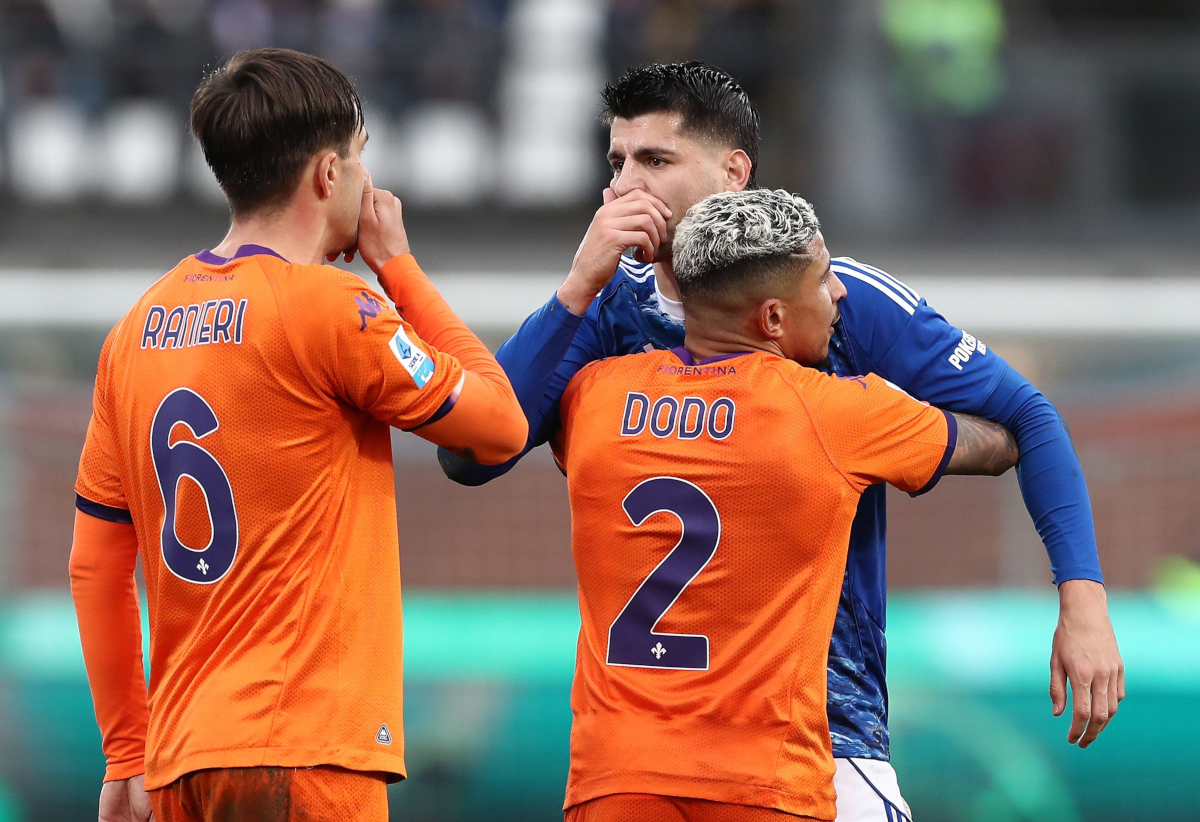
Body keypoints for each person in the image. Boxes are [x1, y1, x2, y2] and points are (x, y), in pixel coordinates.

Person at [439, 62, 1124, 819]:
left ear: (733, 174)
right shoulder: (602, 309)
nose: (624, 188)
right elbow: (469, 457)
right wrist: (577, 286)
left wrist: (1082, 601)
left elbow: (1030, 416)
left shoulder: (834, 298)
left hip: (813, 728)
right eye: (617, 162)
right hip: (682, 740)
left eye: (655, 160)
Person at [69, 48, 527, 822]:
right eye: (361, 158)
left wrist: (124, 751)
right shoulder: (332, 309)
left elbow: (96, 565)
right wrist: (400, 268)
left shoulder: (134, 331)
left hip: (181, 762)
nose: (369, 184)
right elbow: (501, 426)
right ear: (328, 173)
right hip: (306, 748)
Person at [553, 188, 1019, 821]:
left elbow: (484, 441)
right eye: (823, 280)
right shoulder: (833, 412)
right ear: (772, 319)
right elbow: (1002, 442)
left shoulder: (594, 397)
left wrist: (576, 288)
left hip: (615, 778)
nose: (840, 294)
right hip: (762, 780)